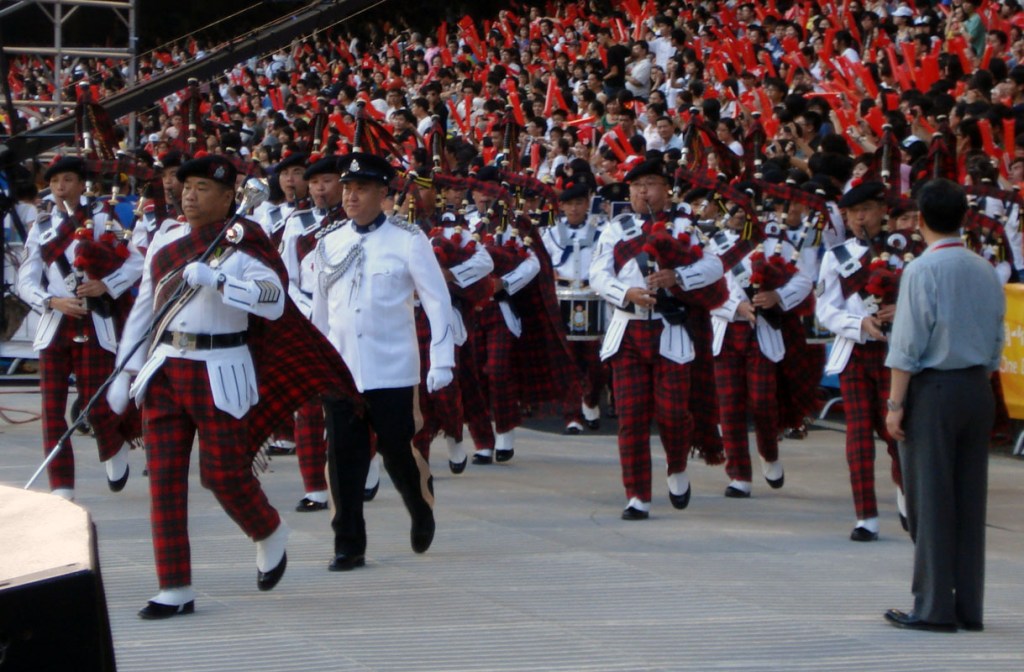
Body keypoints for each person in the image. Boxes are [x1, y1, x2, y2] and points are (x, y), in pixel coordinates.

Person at [107, 154, 356, 618]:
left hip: (219, 366)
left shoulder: (243, 239)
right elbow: (145, 310)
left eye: (202, 188)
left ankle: (267, 529)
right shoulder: (167, 240)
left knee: (221, 474)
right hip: (166, 367)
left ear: (228, 197)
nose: (190, 196)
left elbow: (274, 299)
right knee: (163, 480)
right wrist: (125, 371)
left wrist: (220, 280)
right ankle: (174, 586)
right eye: (187, 187)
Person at [311, 152, 454, 572]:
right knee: (343, 460)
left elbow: (437, 301)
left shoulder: (407, 239)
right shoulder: (330, 241)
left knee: (397, 451)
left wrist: (441, 360)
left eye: (361, 189)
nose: (351, 197)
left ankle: (420, 504)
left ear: (381, 193)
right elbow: (320, 312)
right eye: (347, 188)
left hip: (391, 367)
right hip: (341, 369)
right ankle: (348, 543)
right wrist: (315, 366)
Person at [883, 179, 1005, 633]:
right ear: (964, 218)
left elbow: (907, 345)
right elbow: (996, 335)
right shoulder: (985, 268)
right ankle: (969, 606)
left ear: (920, 219)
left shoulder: (922, 270)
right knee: (970, 501)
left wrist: (895, 404)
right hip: (976, 386)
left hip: (934, 389)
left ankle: (934, 606)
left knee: (931, 500)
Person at [589, 159, 725, 519]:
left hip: (670, 330)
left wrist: (678, 277)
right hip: (628, 330)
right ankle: (637, 495)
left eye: (649, 184)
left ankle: (677, 465)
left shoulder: (685, 227)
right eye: (636, 186)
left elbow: (714, 266)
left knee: (673, 413)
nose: (642, 192)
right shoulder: (616, 229)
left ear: (666, 189)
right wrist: (626, 293)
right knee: (631, 417)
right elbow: (598, 274)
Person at [18, 156, 144, 500]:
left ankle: (114, 445)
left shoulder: (102, 217)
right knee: (52, 409)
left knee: (96, 403)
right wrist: (50, 301)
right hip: (56, 321)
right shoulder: (42, 226)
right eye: (55, 181)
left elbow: (135, 262)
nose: (61, 188)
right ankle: (62, 485)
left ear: (81, 183)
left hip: (94, 318)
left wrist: (106, 285)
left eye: (68, 180)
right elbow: (26, 280)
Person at [815, 181, 906, 541]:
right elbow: (825, 310)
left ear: (882, 211)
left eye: (866, 210)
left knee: (897, 432)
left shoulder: (903, 251)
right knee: (858, 438)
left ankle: (906, 494)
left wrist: (901, 311)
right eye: (853, 213)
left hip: (895, 354)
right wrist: (859, 324)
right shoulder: (835, 256)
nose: (859, 218)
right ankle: (865, 516)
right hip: (854, 352)